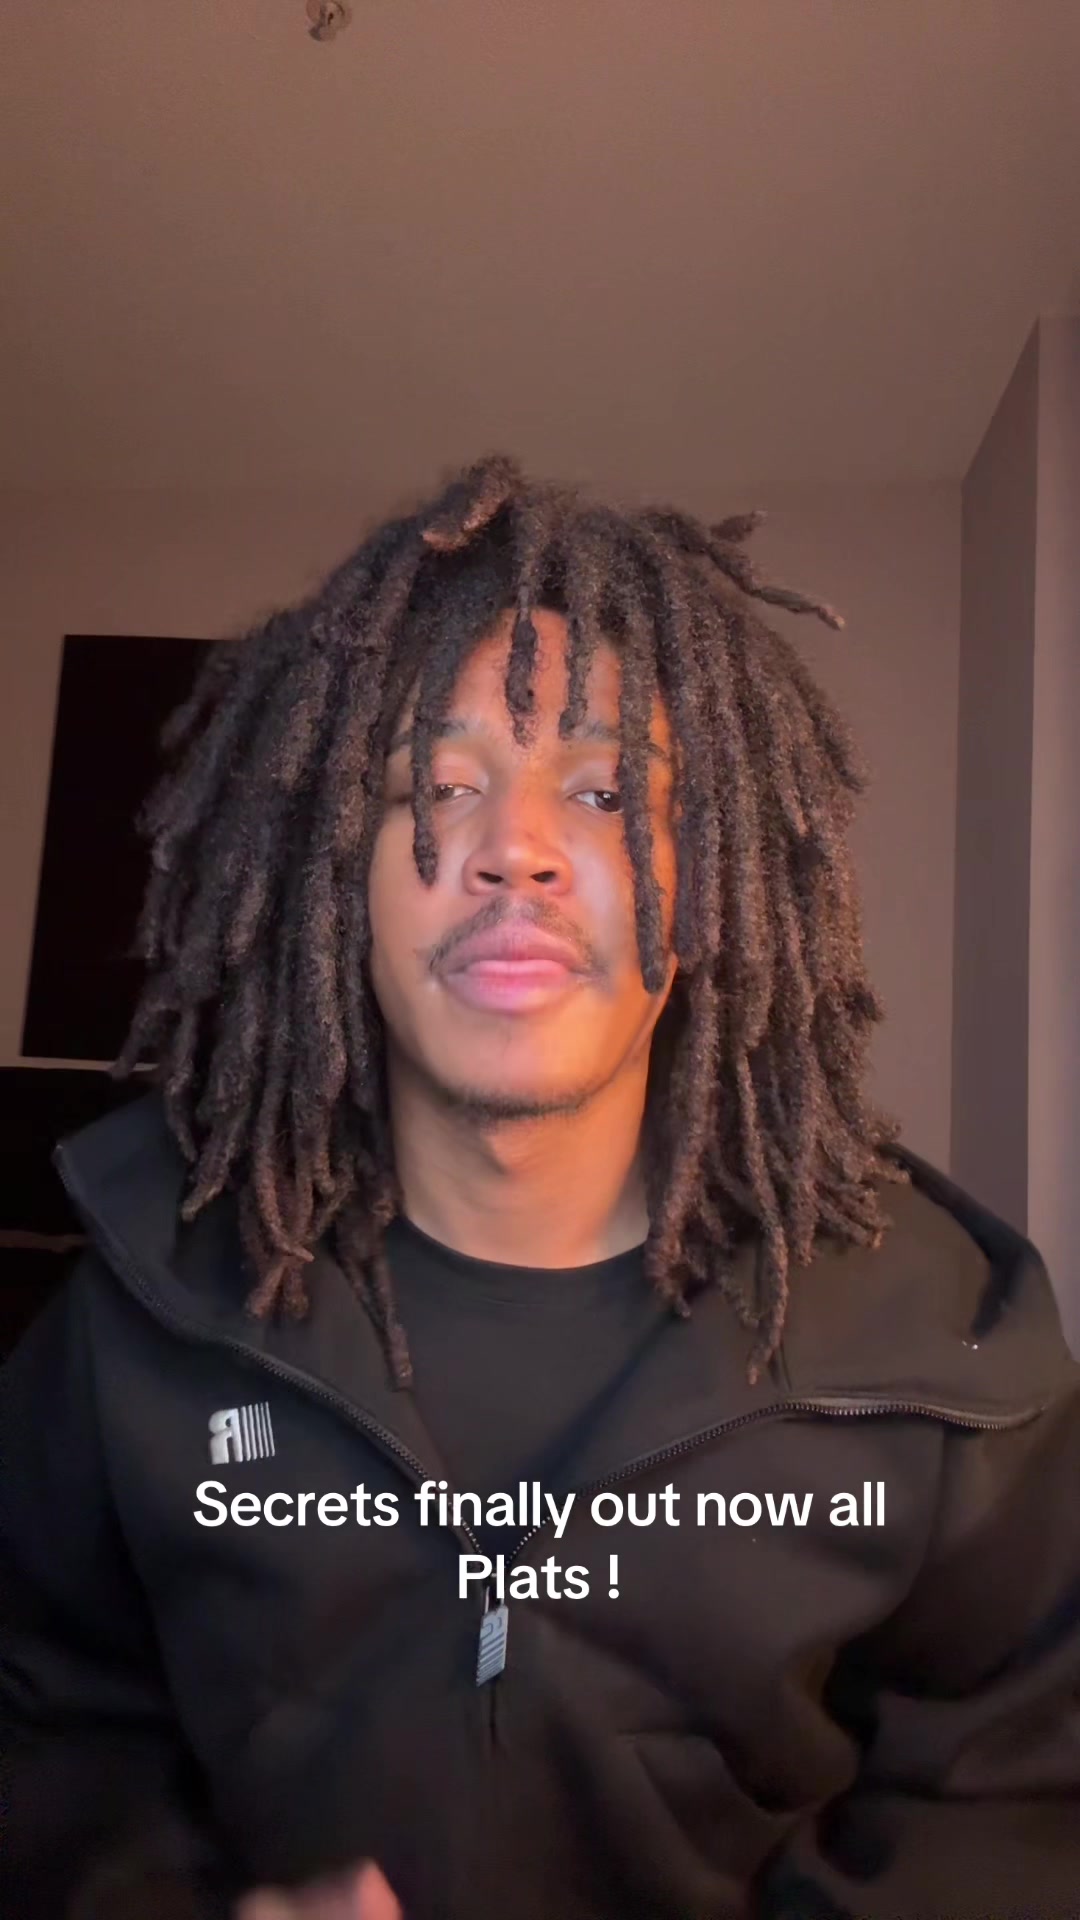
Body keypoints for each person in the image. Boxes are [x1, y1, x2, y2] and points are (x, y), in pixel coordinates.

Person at [3, 454, 1078, 1920]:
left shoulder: (946, 1353)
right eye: (436, 788)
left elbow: (1012, 1805)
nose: (513, 851)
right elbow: (47, 1726)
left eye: (605, 790)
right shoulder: (137, 1309)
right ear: (333, 883)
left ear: (713, 881)